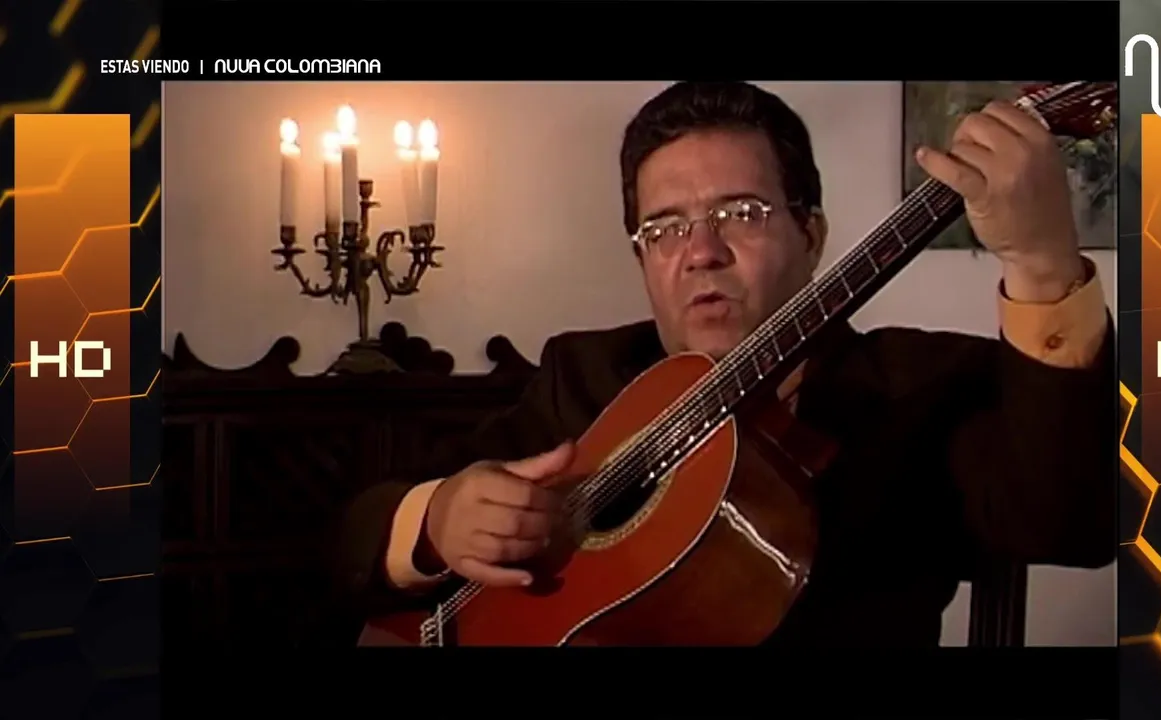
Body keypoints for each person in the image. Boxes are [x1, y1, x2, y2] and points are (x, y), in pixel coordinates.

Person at [335, 81, 1115, 646]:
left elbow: (1073, 526)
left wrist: (1043, 265)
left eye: (740, 213)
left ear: (810, 236)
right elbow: (353, 534)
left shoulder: (922, 384)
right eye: (664, 228)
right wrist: (435, 520)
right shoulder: (588, 376)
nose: (701, 252)